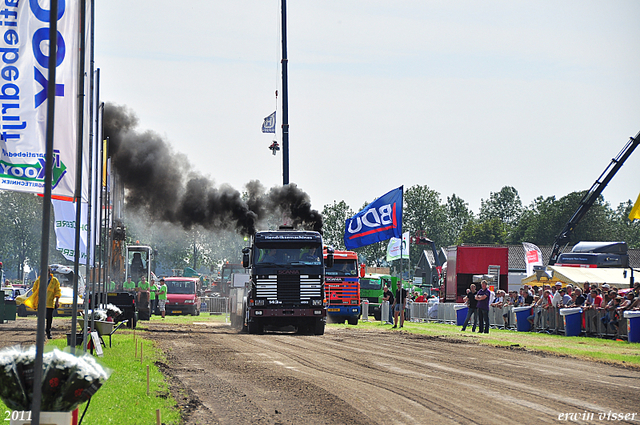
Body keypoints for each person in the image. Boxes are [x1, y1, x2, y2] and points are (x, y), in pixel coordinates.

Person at [25, 267, 61, 339]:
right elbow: (34, 290)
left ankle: (48, 332)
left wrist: (57, 301)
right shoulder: (39, 280)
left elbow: (57, 291)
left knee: (49, 319)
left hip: (50, 304)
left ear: (49, 272)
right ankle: (41, 334)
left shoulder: (54, 281)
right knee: (41, 319)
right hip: (41, 303)